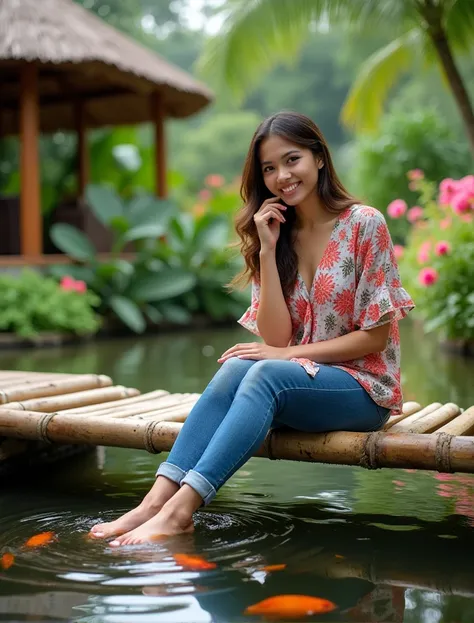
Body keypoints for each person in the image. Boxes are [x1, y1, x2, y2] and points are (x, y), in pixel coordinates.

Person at [90, 111, 414, 546]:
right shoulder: (278, 232)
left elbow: (373, 338)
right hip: (304, 383)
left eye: (292, 159)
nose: (282, 175)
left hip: (363, 390)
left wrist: (285, 357)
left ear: (319, 158)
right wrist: (266, 249)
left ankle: (181, 512)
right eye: (269, 168)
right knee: (232, 370)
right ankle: (154, 504)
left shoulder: (364, 224)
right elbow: (277, 338)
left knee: (263, 372)